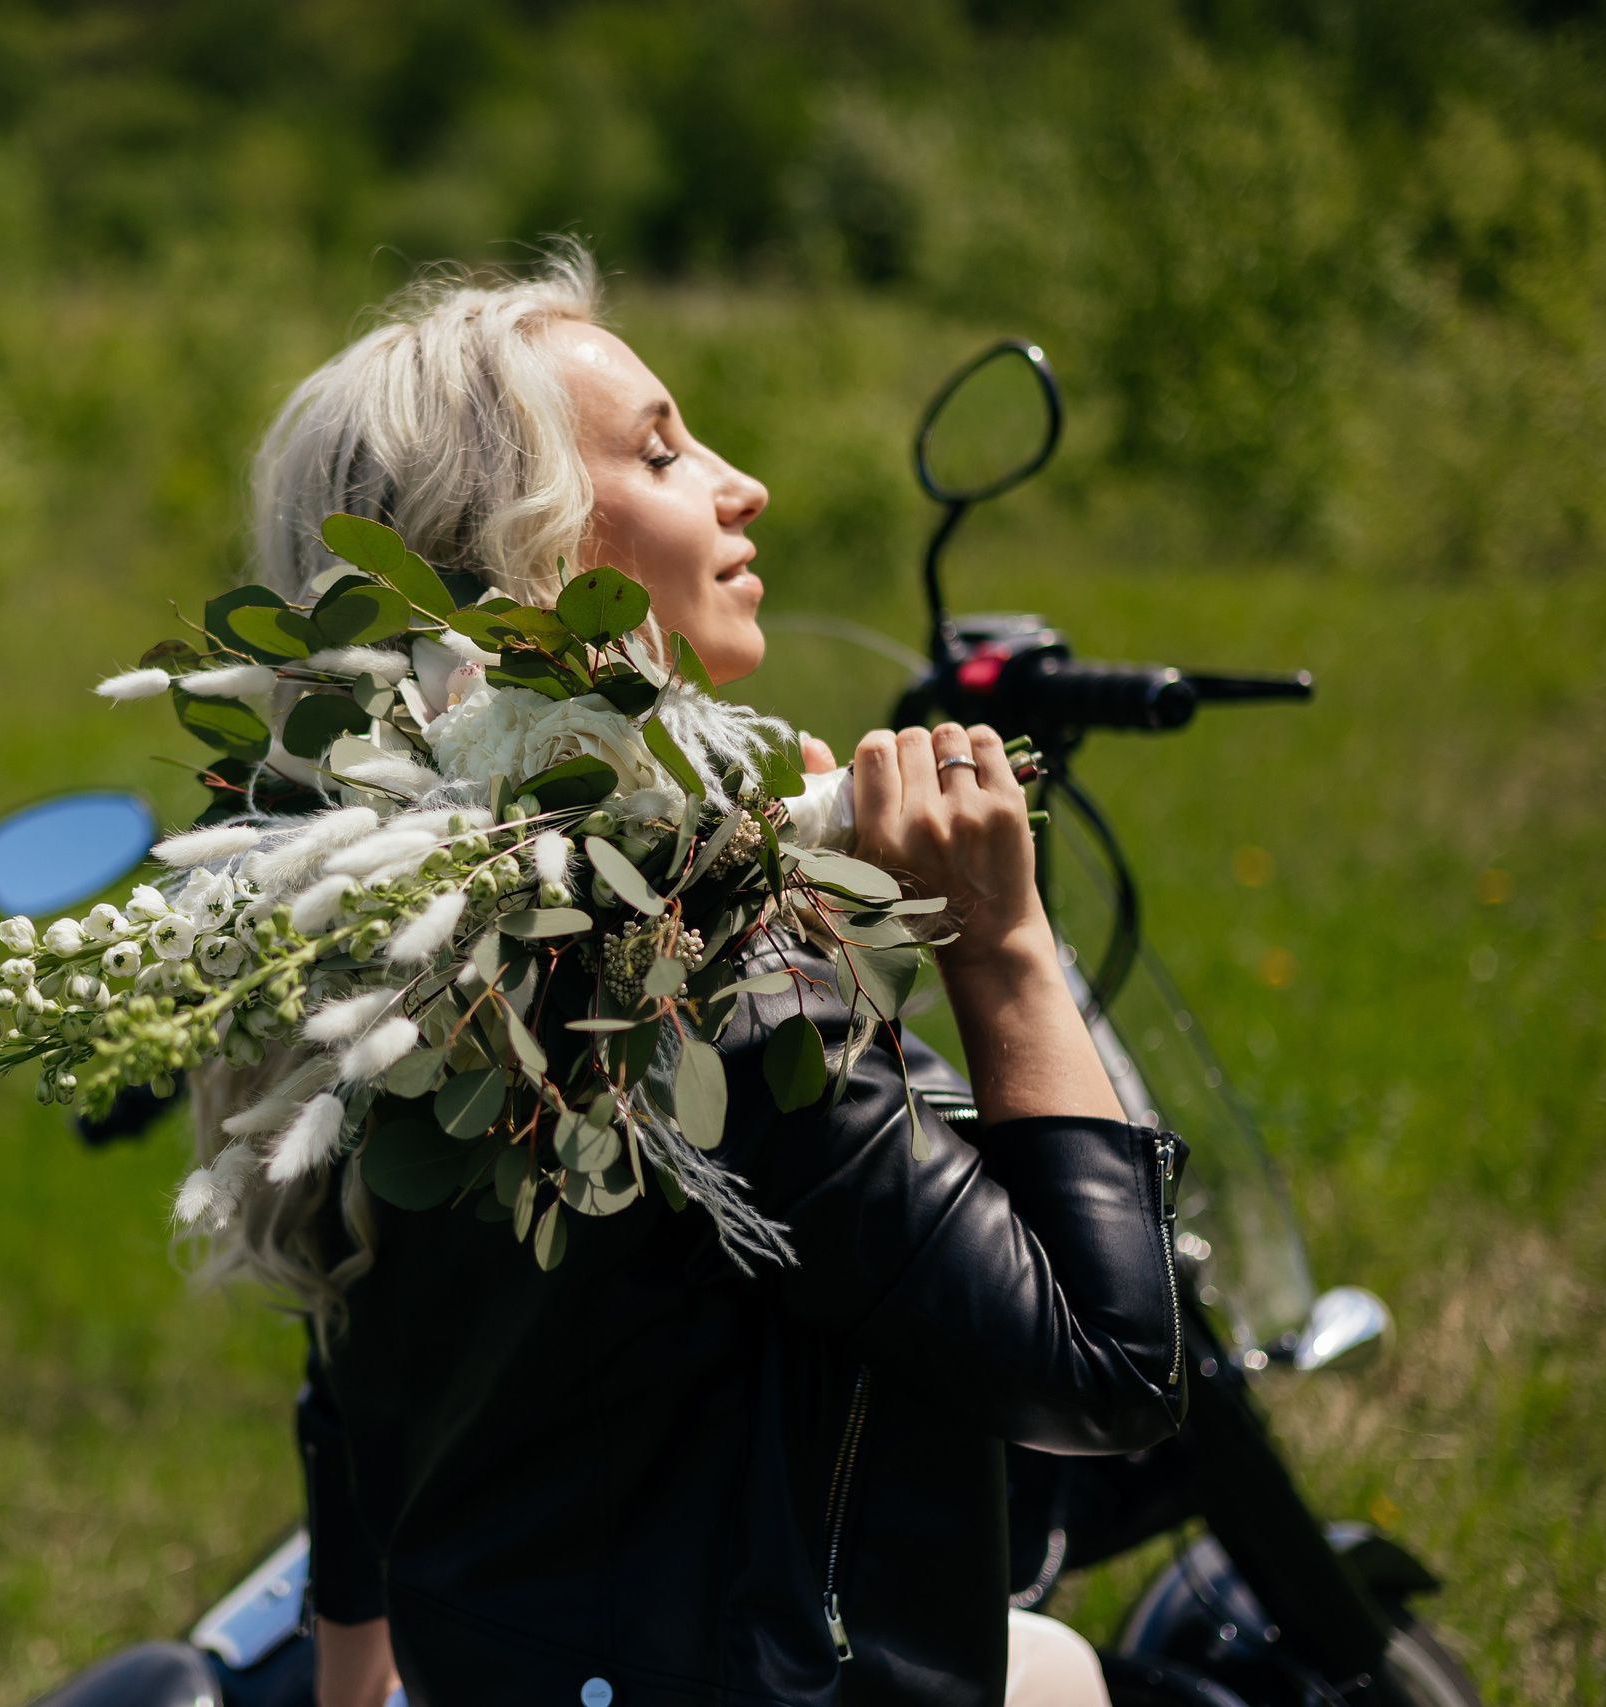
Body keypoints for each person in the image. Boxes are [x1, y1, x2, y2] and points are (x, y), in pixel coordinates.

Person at [196, 245, 1183, 1707]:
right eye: (662, 453)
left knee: (1051, 1664)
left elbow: (352, 1381)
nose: (744, 485)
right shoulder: (698, 979)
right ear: (538, 562)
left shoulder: (399, 948)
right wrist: (1002, 942)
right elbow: (1106, 1369)